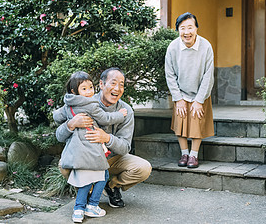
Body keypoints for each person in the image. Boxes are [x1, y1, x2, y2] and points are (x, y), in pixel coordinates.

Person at [55, 67, 152, 210]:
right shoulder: (82, 102)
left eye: (121, 84)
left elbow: (125, 147)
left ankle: (111, 186)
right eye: (113, 83)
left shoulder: (126, 111)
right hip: (87, 156)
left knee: (143, 168)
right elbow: (59, 136)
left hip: (112, 158)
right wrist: (71, 124)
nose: (117, 88)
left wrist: (106, 138)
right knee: (64, 165)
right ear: (101, 85)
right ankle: (87, 189)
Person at [53, 71, 128, 223]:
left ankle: (82, 209)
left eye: (90, 88)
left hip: (76, 150)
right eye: (84, 89)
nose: (89, 92)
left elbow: (56, 116)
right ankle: (86, 206)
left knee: (90, 177)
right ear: (74, 91)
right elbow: (106, 119)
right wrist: (121, 115)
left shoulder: (69, 104)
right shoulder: (91, 105)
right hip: (90, 149)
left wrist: (69, 117)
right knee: (93, 178)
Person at [165, 12, 214, 168]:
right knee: (180, 123)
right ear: (178, 30)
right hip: (181, 92)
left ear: (196, 28)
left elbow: (208, 75)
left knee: (196, 123)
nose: (186, 32)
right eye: (182, 28)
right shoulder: (173, 47)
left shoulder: (206, 46)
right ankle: (184, 153)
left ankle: (194, 155)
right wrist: (178, 99)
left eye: (190, 27)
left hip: (200, 92)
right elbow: (170, 74)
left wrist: (199, 100)